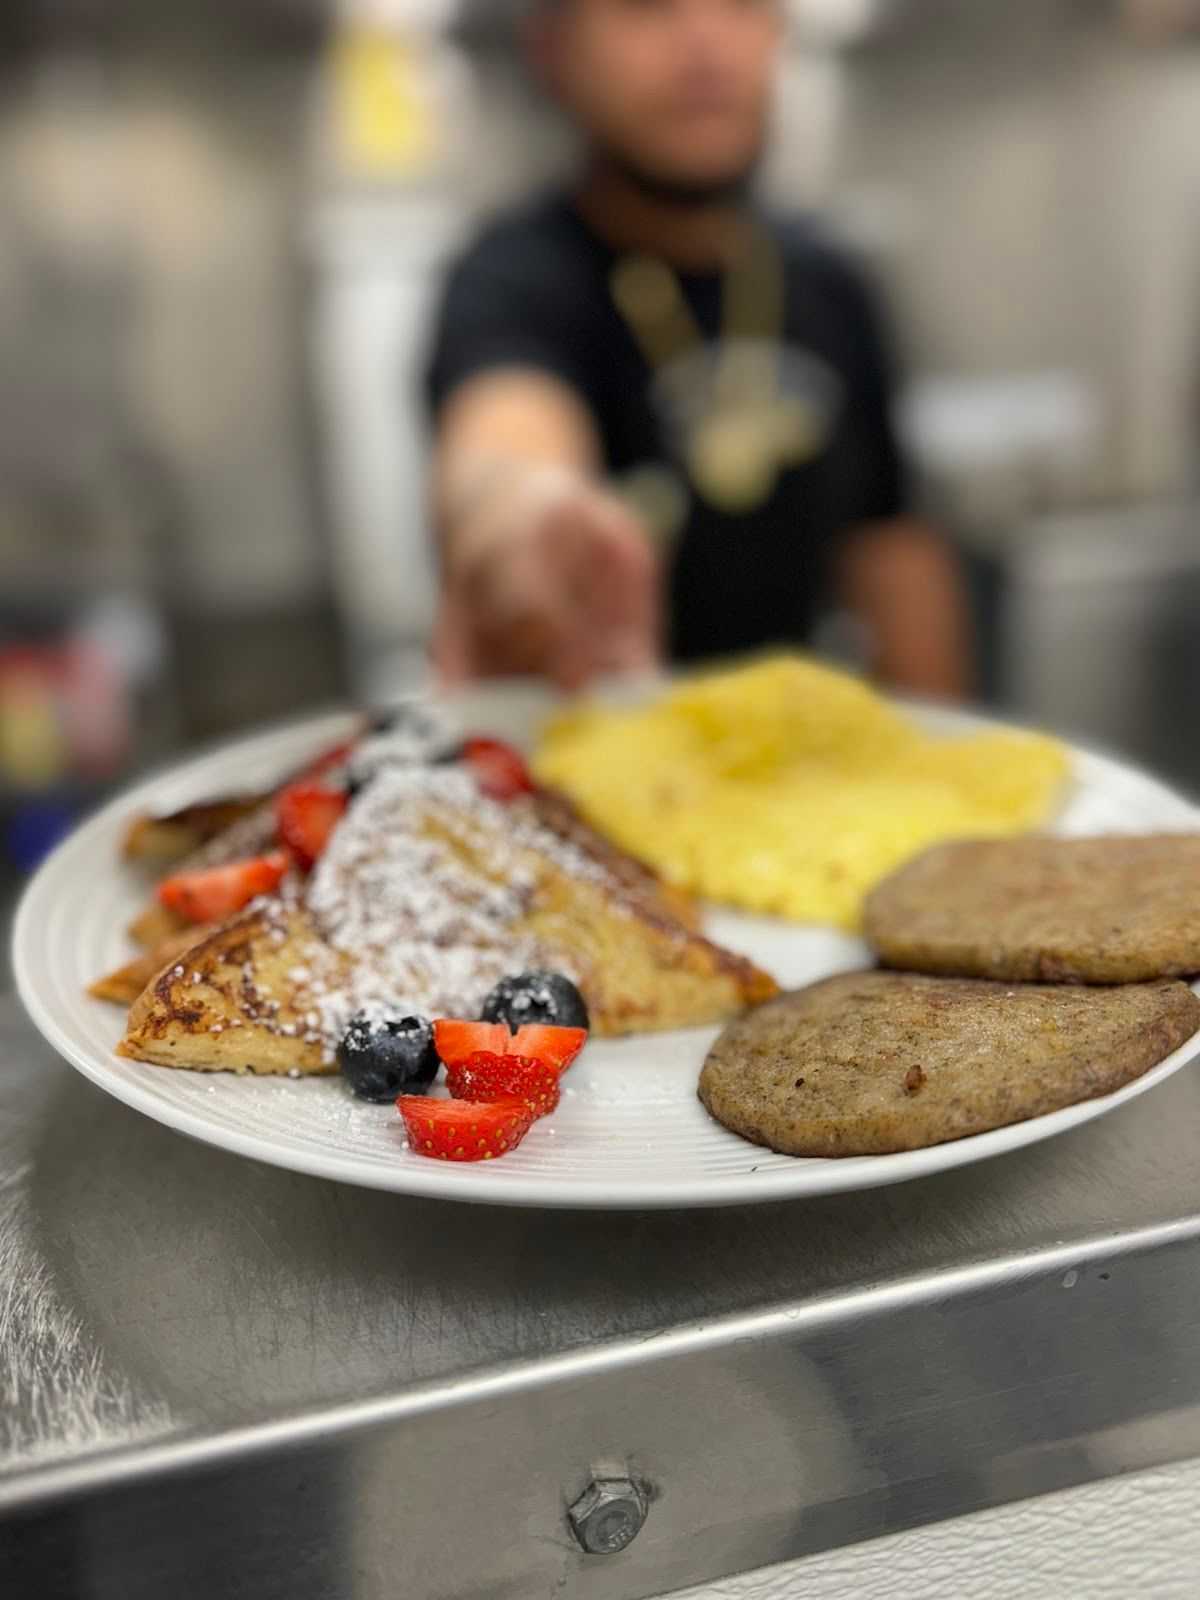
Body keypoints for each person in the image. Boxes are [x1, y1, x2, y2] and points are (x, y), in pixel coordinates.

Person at [427, 0, 972, 697]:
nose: (706, 44)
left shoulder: (831, 281)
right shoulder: (512, 276)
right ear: (553, 49)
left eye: (743, 5)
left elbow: (895, 558)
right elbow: (503, 440)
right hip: (586, 768)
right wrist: (520, 517)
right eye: (647, 8)